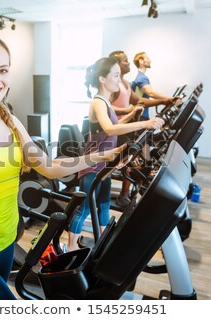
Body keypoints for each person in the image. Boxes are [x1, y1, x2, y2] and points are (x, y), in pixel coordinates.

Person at [0, 33, 123, 300]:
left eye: (3, 70)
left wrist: (99, 158)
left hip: (6, 244)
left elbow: (48, 166)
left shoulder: (11, 122)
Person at [67, 57, 164, 252]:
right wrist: (145, 123)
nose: (119, 81)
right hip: (93, 165)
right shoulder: (98, 102)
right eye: (116, 76)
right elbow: (110, 130)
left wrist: (131, 114)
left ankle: (102, 245)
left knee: (104, 205)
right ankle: (68, 250)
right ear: (102, 79)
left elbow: (114, 126)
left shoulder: (105, 102)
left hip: (106, 164)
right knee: (85, 208)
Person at [108, 50, 176, 210]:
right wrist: (127, 112)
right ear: (116, 65)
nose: (128, 63)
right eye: (125, 61)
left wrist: (165, 100)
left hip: (127, 127)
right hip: (118, 128)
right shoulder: (114, 85)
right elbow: (106, 106)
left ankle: (127, 195)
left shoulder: (125, 83)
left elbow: (140, 101)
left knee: (136, 160)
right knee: (131, 161)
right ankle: (123, 196)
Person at [131, 52, 177, 120]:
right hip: (140, 117)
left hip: (142, 116)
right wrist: (171, 99)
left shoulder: (140, 77)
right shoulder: (141, 78)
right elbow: (151, 93)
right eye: (147, 58)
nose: (150, 60)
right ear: (141, 61)